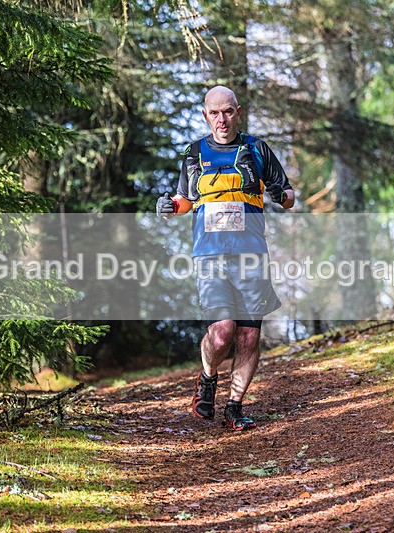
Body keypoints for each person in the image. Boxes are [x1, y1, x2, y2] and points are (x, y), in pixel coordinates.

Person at [156, 86, 295, 431]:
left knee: (248, 336)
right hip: (210, 255)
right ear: (206, 116)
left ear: (239, 111)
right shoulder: (193, 153)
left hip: (251, 255)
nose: (222, 119)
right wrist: (170, 207)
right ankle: (207, 378)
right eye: (215, 113)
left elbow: (288, 195)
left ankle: (234, 406)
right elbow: (186, 199)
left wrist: (279, 194)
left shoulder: (257, 149)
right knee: (222, 333)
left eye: (228, 112)